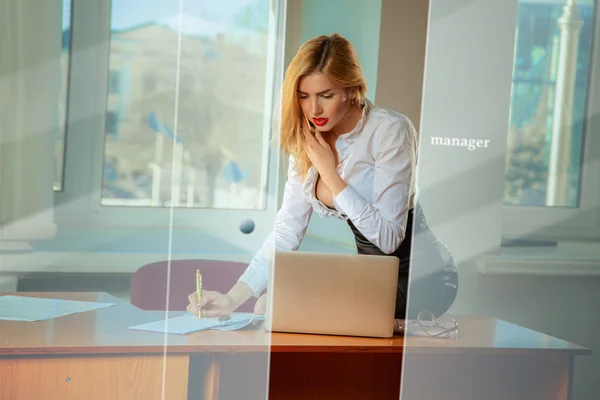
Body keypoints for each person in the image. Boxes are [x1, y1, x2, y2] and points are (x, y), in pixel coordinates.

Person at [188, 33, 458, 321]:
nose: (313, 109)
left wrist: (330, 174)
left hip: (424, 278)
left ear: (353, 88)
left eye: (326, 96)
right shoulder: (309, 140)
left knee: (273, 306)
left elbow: (389, 239)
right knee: (266, 304)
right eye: (303, 96)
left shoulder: (390, 130)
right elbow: (286, 232)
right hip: (373, 278)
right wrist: (231, 298)